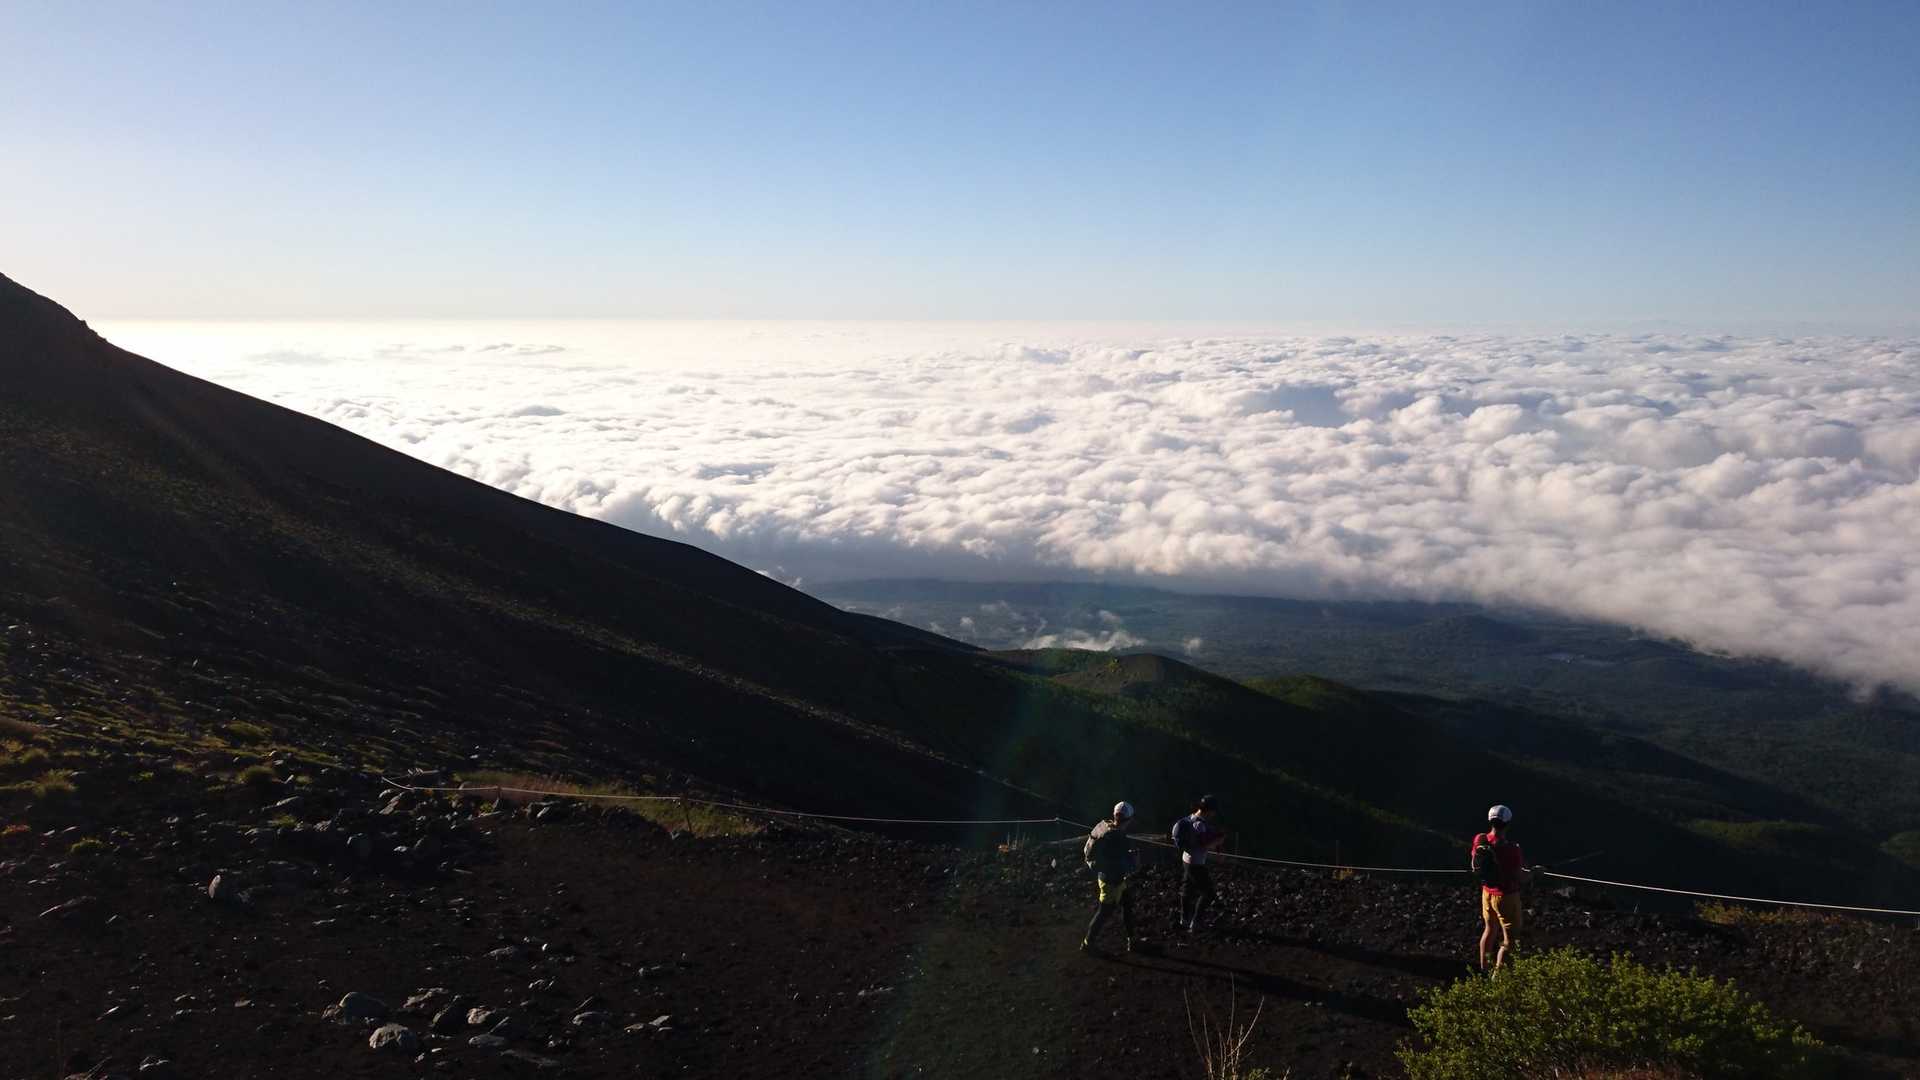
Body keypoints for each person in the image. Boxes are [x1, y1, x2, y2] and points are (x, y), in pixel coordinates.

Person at [1472, 804, 1528, 972]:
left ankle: (1483, 970)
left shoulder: (1480, 840)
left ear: (1490, 821)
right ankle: (1498, 980)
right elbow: (1520, 878)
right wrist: (1535, 873)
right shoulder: (1512, 849)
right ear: (1508, 824)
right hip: (1507, 897)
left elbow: (1475, 866)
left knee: (1489, 929)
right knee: (1510, 941)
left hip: (1487, 893)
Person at [1082, 800, 1142, 954]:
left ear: (1115, 815)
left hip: (1105, 875)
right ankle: (1088, 944)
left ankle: (1132, 940)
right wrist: (1134, 861)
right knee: (1104, 912)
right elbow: (1121, 864)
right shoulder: (1118, 837)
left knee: (1127, 903)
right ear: (1129, 820)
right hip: (1112, 881)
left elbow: (1110, 856)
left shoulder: (1105, 826)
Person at [1172, 794, 1227, 932]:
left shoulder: (1190, 819)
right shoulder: (1199, 824)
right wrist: (1219, 841)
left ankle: (1184, 920)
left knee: (1187, 890)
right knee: (1208, 894)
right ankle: (1196, 923)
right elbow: (1204, 845)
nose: (1214, 815)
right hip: (1196, 863)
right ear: (1209, 810)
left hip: (1186, 860)